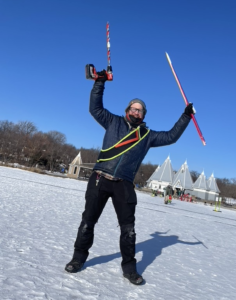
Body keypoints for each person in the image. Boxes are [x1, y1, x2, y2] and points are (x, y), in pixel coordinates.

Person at [65, 70, 195, 285]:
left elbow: (171, 136)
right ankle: (78, 259)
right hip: (100, 178)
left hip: (123, 184)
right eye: (133, 108)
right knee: (88, 222)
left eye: (140, 110)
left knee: (128, 229)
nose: (136, 112)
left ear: (144, 115)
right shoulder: (112, 121)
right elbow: (94, 107)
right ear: (127, 111)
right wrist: (100, 82)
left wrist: (186, 116)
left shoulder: (148, 136)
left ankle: (129, 269)